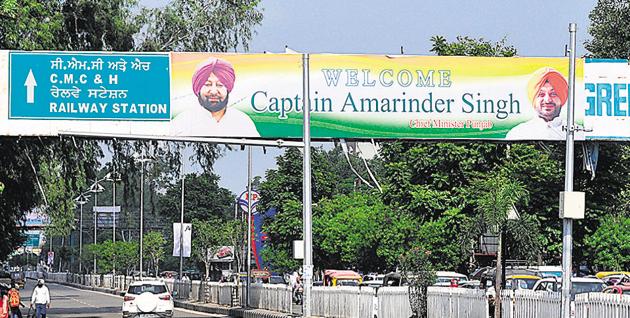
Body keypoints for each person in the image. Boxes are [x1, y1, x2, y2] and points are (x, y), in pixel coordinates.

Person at [171, 57, 260, 137]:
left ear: (228, 89)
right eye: (208, 84)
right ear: (198, 88)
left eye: (220, 85)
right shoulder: (183, 122)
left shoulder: (242, 122)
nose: (213, 91)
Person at [505, 67, 569, 140]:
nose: (547, 100)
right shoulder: (517, 134)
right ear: (533, 98)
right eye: (541, 94)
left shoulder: (578, 133)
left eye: (553, 94)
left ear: (562, 97)